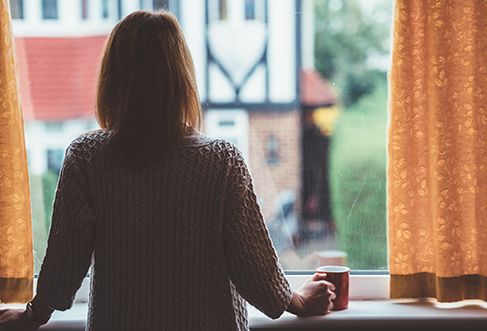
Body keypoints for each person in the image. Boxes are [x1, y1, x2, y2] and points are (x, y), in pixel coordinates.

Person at [0, 11, 335, 331]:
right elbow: (257, 272)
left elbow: (64, 264)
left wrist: (33, 315)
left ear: (112, 78)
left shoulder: (87, 158)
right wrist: (300, 302)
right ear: (182, 77)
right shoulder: (221, 162)